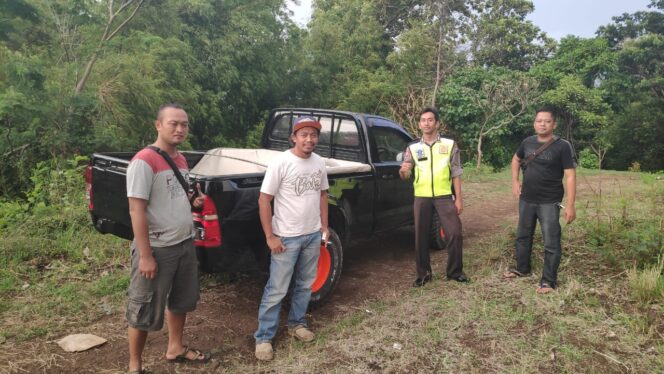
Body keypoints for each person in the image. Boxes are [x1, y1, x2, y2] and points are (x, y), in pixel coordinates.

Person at [126, 104, 210, 373]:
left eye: (184, 124)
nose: (180, 129)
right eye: (173, 123)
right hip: (158, 247)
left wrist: (194, 201)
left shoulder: (181, 160)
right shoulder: (143, 161)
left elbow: (176, 195)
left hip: (184, 242)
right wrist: (146, 255)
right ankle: (134, 365)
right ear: (158, 125)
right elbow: (136, 209)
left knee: (181, 300)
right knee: (144, 307)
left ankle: (175, 347)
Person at [254, 116, 329, 361]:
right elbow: (264, 199)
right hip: (286, 237)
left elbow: (323, 195)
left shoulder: (319, 162)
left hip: (311, 233)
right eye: (304, 134)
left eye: (314, 134)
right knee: (277, 288)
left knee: (305, 284)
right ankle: (264, 337)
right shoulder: (281, 163)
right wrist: (270, 236)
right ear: (293, 138)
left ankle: (297, 324)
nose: (309, 139)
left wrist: (324, 227)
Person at [503, 107, 577, 294]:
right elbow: (516, 159)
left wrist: (570, 205)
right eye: (539, 121)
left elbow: (570, 176)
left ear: (554, 124)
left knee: (551, 241)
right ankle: (522, 268)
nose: (542, 124)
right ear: (534, 123)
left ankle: (548, 281)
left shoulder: (563, 146)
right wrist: (515, 181)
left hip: (549, 202)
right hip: (527, 199)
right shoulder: (527, 142)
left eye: (547, 121)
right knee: (522, 235)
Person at [399, 107, 469, 287]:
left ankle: (455, 272)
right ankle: (424, 274)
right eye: (423, 120)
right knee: (420, 236)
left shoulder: (449, 144)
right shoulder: (413, 147)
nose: (427, 123)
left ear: (437, 123)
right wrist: (404, 171)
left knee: (454, 232)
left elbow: (456, 173)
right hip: (422, 196)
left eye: (430, 120)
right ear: (419, 124)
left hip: (444, 196)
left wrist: (459, 199)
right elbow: (406, 169)